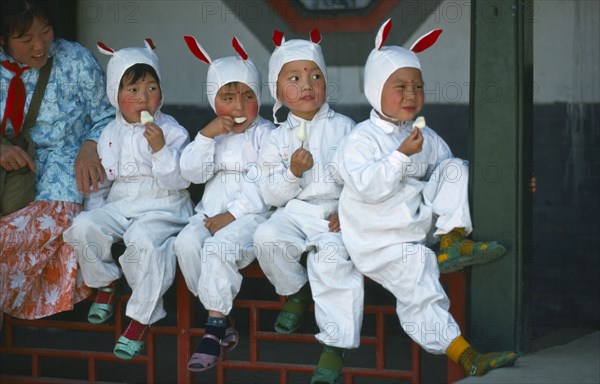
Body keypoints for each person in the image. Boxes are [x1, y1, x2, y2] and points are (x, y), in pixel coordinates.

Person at [334, 19, 519, 378]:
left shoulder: (425, 135)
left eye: (417, 87)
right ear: (375, 89)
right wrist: (401, 155)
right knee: (418, 273)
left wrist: (515, 185)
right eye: (399, 87)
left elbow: (449, 178)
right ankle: (465, 355)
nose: (410, 95)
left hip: (418, 224)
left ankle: (451, 242)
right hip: (380, 241)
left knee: (456, 168)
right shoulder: (361, 139)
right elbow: (368, 186)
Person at [62, 39, 193, 360]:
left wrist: (161, 150)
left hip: (164, 203)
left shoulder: (172, 131)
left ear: (161, 92)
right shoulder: (109, 133)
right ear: (115, 96)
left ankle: (141, 316)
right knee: (82, 225)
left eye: (151, 88)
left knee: (143, 241)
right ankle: (105, 282)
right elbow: (101, 185)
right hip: (121, 203)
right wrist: (98, 214)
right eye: (132, 90)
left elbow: (181, 180)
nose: (143, 98)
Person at [253, 29, 364, 384]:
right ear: (277, 91)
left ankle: (333, 348)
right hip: (295, 212)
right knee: (267, 236)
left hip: (334, 214)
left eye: (316, 76)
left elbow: (362, 179)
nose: (307, 85)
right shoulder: (275, 138)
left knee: (333, 261)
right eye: (295, 78)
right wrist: (292, 173)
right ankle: (296, 292)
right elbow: (271, 196)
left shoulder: (346, 128)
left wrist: (346, 211)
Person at [0, 0, 113, 322]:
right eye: (25, 40)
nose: (40, 46)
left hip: (65, 171)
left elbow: (109, 114)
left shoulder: (75, 59)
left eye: (46, 32)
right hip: (12, 174)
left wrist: (91, 145)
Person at [174, 35, 275, 372]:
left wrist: (232, 214)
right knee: (186, 244)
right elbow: (191, 173)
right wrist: (205, 136)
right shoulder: (212, 133)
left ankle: (213, 330)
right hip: (210, 211)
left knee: (218, 249)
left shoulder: (268, 134)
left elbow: (266, 182)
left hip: (252, 214)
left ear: (259, 98)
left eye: (248, 96)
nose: (238, 106)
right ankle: (220, 315)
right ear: (212, 99)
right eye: (227, 97)